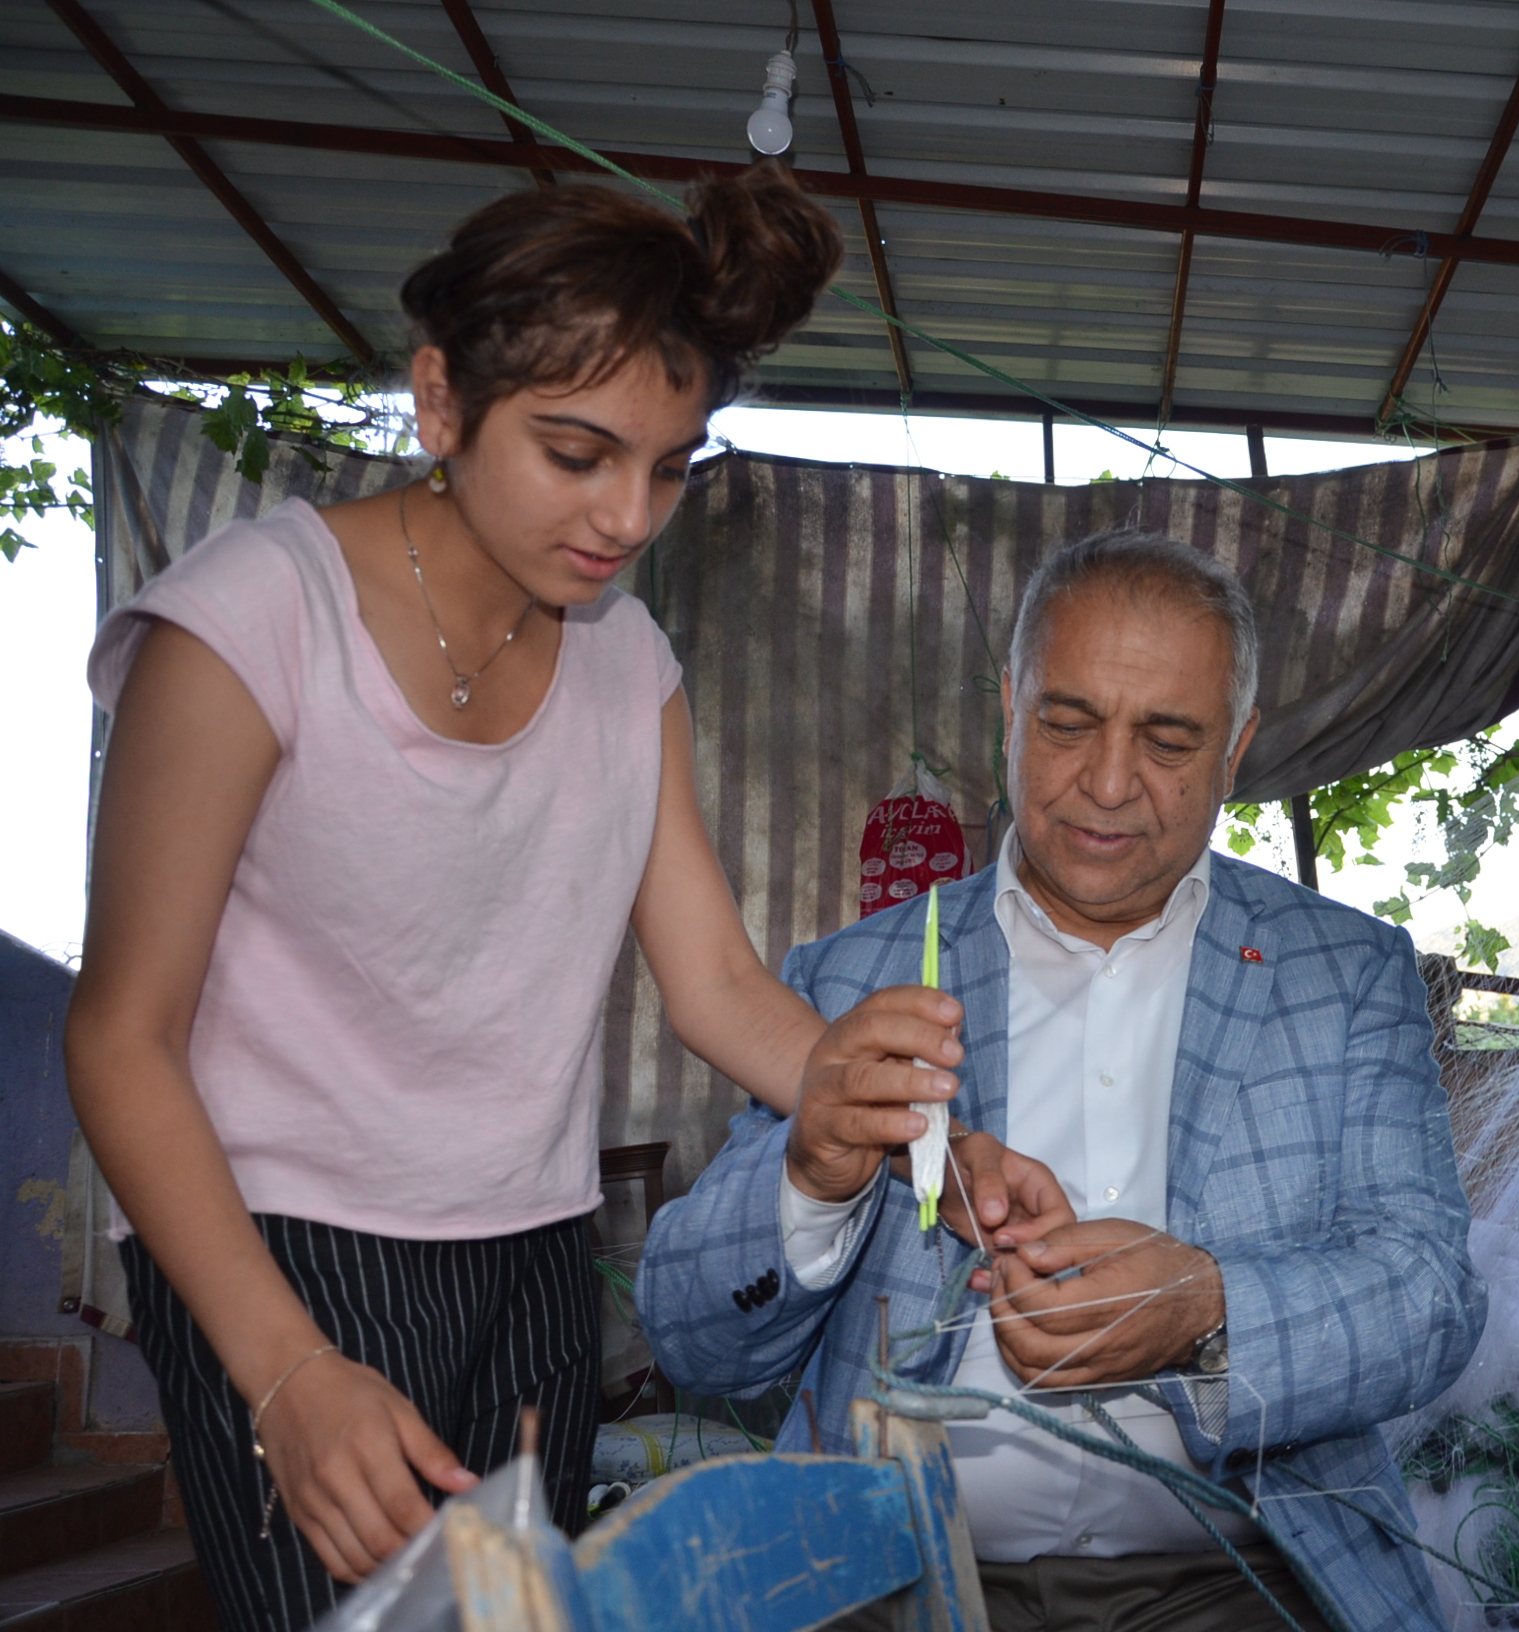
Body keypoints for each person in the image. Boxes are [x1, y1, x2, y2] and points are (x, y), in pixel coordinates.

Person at [64, 166, 1056, 1631]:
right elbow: (118, 1037)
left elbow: (715, 985)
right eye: (578, 453)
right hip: (282, 1247)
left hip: (532, 1251)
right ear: (441, 401)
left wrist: (937, 1144)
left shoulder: (623, 661)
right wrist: (283, 1371)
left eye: (669, 465)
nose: (626, 515)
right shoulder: (250, 626)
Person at [637, 530, 1484, 1632]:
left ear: (1237, 747)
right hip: (897, 1580)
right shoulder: (853, 975)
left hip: (1234, 1583)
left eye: (1169, 739)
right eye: (1067, 722)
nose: (1108, 781)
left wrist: (1202, 1313)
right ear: (1009, 707)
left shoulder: (1343, 974)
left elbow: (1429, 1299)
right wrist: (813, 1179)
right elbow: (694, 1341)